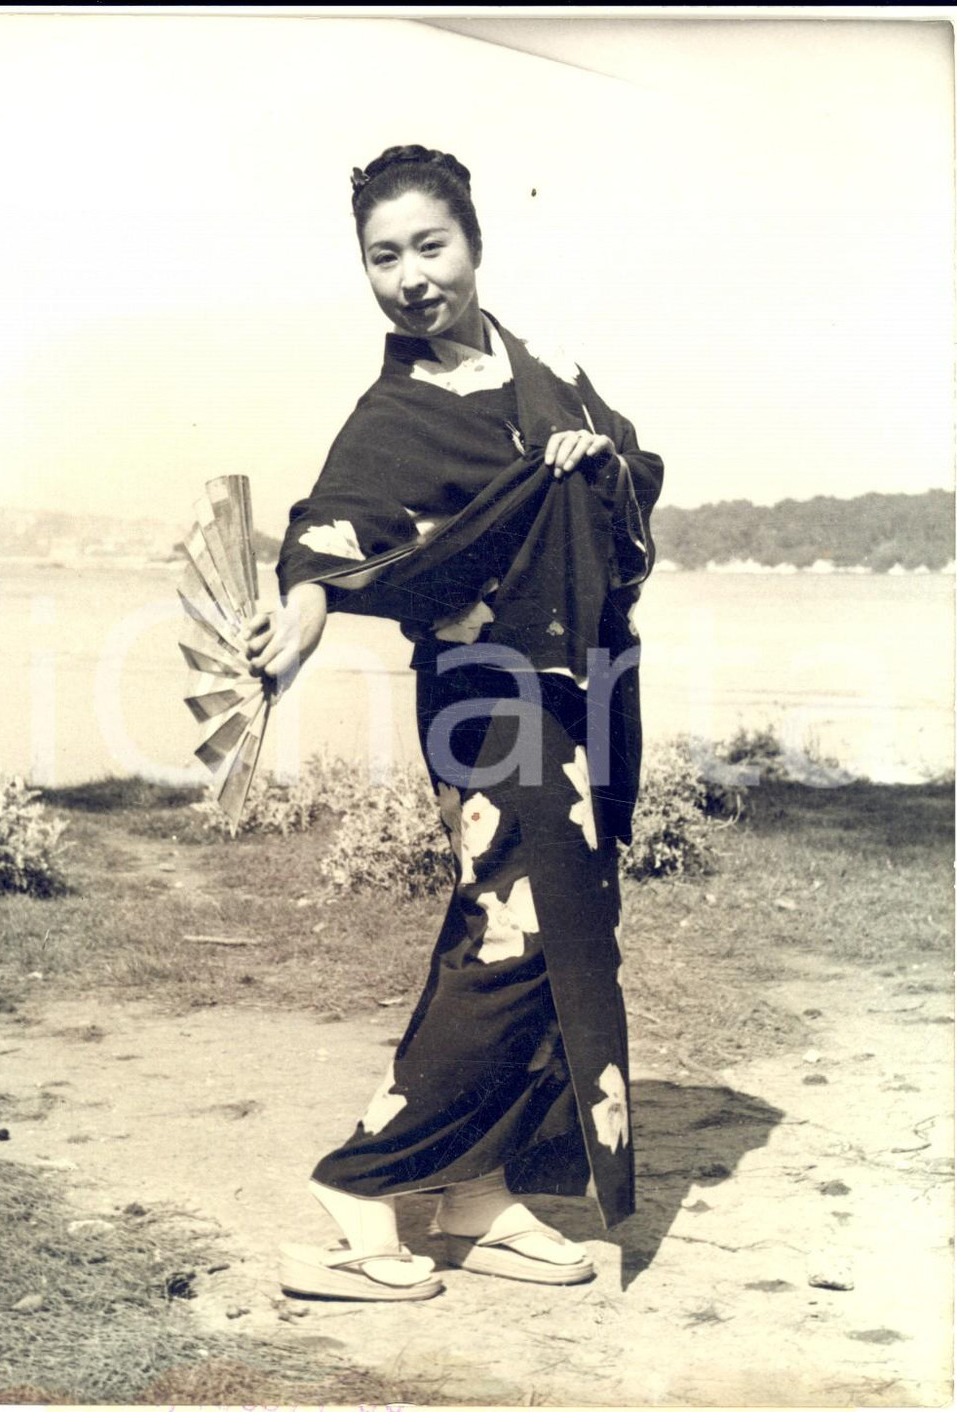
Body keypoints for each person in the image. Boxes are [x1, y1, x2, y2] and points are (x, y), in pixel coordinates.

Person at [245, 144, 664, 1301]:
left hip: (584, 690)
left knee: (553, 921)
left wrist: (596, 463)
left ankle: (472, 1185)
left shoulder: (553, 375)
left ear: (474, 243)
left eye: (430, 245)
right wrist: (303, 610)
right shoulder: (393, 414)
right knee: (516, 930)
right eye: (383, 257)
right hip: (485, 703)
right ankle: (362, 1184)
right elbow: (330, 531)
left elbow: (637, 480)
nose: (410, 276)